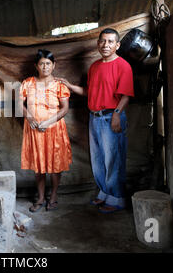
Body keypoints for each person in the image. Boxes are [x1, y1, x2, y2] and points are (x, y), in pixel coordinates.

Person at [56, 28, 134, 213]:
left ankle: (117, 198)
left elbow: (126, 96)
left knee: (113, 159)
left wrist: (116, 114)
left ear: (117, 45)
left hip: (111, 116)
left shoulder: (123, 66)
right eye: (102, 41)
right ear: (98, 44)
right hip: (94, 117)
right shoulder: (95, 66)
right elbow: (89, 92)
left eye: (110, 42)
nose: (105, 45)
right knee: (98, 158)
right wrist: (70, 86)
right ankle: (105, 192)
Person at [19, 49, 72, 212]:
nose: (45, 67)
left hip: (54, 129)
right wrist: (29, 117)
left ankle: (53, 196)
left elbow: (64, 109)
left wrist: (48, 122)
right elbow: (19, 104)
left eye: (48, 63)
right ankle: (41, 197)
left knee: (55, 165)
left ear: (54, 65)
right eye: (41, 64)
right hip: (34, 130)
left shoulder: (59, 85)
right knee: (39, 166)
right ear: (36, 66)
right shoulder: (27, 83)